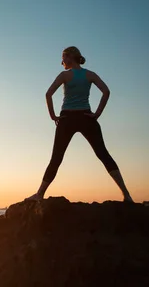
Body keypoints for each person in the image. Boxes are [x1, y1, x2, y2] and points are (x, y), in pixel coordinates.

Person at [25, 46, 133, 202]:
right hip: (86, 116)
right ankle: (126, 195)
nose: (61, 61)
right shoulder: (90, 74)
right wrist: (97, 114)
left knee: (56, 158)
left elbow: (48, 94)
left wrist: (52, 116)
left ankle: (39, 194)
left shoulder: (64, 75)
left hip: (67, 118)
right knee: (103, 154)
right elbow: (106, 91)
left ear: (70, 57)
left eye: (63, 57)